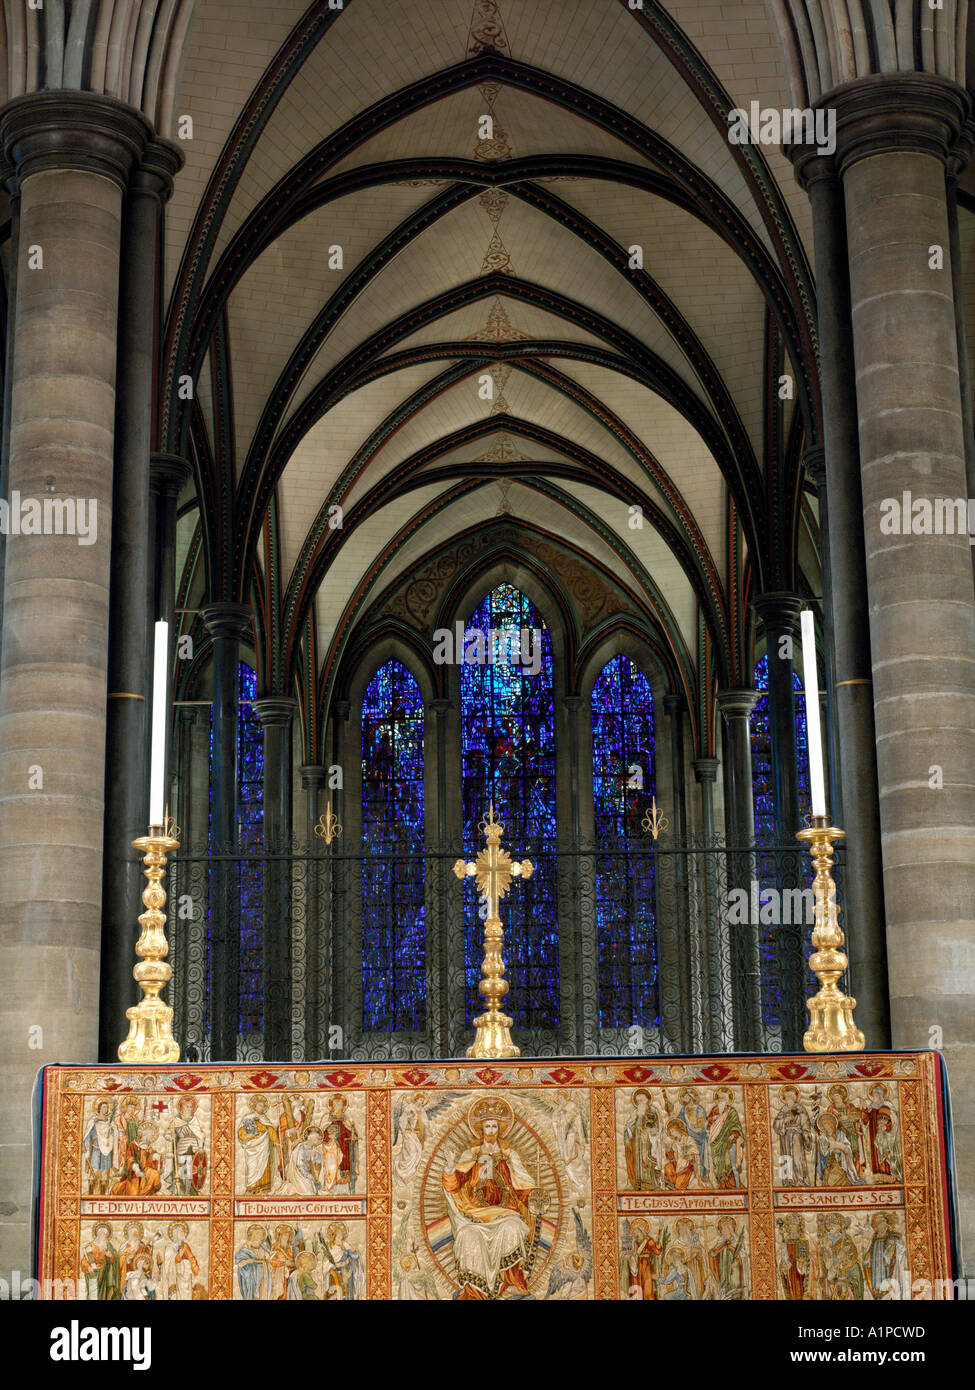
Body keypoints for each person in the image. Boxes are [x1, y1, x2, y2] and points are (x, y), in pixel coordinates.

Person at [442, 1097, 538, 1300]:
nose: (492, 1130)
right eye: (488, 1126)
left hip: (507, 1213)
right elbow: (454, 1184)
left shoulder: (509, 1154)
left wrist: (535, 1197)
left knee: (513, 1228)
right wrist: (450, 1167)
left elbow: (523, 1185)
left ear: (500, 1129)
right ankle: (475, 1293)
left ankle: (510, 1285)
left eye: (495, 1126)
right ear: (481, 1129)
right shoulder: (472, 1154)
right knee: (468, 1236)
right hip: (474, 1215)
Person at [238, 1096, 279, 1195]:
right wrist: (248, 1136)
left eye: (264, 1106)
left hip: (264, 1147)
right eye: (260, 1105)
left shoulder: (265, 1118)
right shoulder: (248, 1118)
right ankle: (252, 1188)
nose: (262, 1108)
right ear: (254, 1106)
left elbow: (271, 1130)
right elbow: (241, 1132)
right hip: (252, 1147)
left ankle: (264, 1188)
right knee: (253, 1167)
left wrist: (275, 1140)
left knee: (264, 1165)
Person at [772, 1087, 813, 1186]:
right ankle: (787, 1181)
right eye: (787, 1097)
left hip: (796, 1136)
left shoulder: (800, 1109)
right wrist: (784, 1120)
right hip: (785, 1136)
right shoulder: (783, 1109)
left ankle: (800, 1180)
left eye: (791, 1096)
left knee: (797, 1157)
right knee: (786, 1156)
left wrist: (806, 1135)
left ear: (795, 1097)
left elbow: (805, 1123)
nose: (789, 1098)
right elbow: (776, 1124)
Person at [623, 1089, 661, 1190]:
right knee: (637, 1161)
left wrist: (651, 1131)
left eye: (642, 1100)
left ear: (647, 1100)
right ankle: (637, 1183)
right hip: (637, 1141)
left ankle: (651, 1183)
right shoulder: (636, 1112)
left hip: (650, 1140)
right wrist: (628, 1134)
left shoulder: (653, 1111)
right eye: (638, 1101)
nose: (640, 1102)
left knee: (649, 1159)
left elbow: (657, 1127)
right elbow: (629, 1125)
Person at [111, 1123, 162, 1196]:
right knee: (133, 1193)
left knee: (155, 1174)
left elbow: (152, 1164)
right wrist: (136, 1169)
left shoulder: (149, 1148)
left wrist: (155, 1157)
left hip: (146, 1171)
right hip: (135, 1174)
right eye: (151, 1135)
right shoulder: (133, 1144)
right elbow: (129, 1158)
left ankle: (148, 1191)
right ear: (145, 1134)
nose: (152, 1137)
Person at [157, 1222, 199, 1301]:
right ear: (175, 1234)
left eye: (183, 1232)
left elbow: (191, 1259)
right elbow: (168, 1264)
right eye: (180, 1232)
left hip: (185, 1279)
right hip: (173, 1280)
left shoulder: (185, 1246)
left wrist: (191, 1266)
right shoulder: (169, 1248)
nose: (182, 1234)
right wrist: (179, 1256)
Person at [83, 1102, 117, 1196]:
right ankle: (90, 1194)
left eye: (107, 1107)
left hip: (107, 1151)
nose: (105, 1109)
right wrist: (86, 1150)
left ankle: (102, 1195)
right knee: (93, 1172)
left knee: (104, 1174)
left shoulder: (110, 1122)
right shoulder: (93, 1121)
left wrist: (112, 1131)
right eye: (103, 1107)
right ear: (99, 1108)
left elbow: (114, 1136)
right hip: (96, 1150)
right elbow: (87, 1136)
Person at [81, 1223, 121, 1301]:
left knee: (105, 1295)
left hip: (105, 1274)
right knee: (93, 1295)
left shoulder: (108, 1246)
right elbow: (84, 1261)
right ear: (98, 1234)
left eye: (105, 1234)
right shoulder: (90, 1246)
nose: (103, 1236)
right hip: (93, 1274)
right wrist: (88, 1267)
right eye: (101, 1234)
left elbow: (115, 1259)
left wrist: (111, 1256)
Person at [235, 1224, 271, 1300]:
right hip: (251, 1277)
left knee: (262, 1295)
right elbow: (240, 1263)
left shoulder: (263, 1247)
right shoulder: (246, 1248)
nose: (261, 1237)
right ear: (254, 1235)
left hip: (263, 1276)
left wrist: (267, 1258)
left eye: (262, 1235)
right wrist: (249, 1261)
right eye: (260, 1235)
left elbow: (269, 1257)